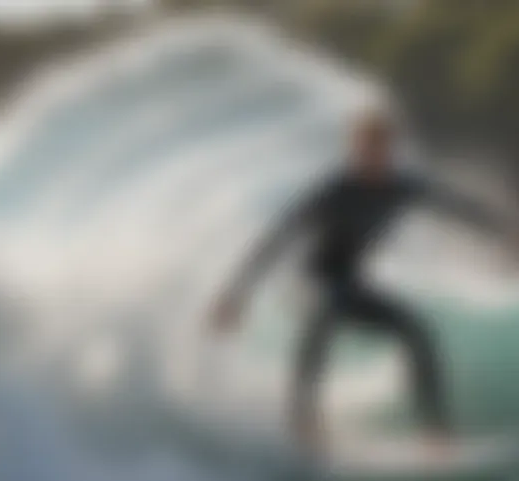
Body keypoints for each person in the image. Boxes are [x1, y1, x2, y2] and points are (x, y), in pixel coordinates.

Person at [209, 108, 501, 452]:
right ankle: (303, 418)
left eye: (376, 147)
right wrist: (236, 294)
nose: (368, 156)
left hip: (350, 283)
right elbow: (278, 237)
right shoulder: (335, 191)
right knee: (329, 306)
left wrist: (507, 232)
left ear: (389, 148)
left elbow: (456, 207)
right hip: (310, 283)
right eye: (361, 148)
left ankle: (434, 429)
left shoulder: (403, 187)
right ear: (353, 149)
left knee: (415, 329)